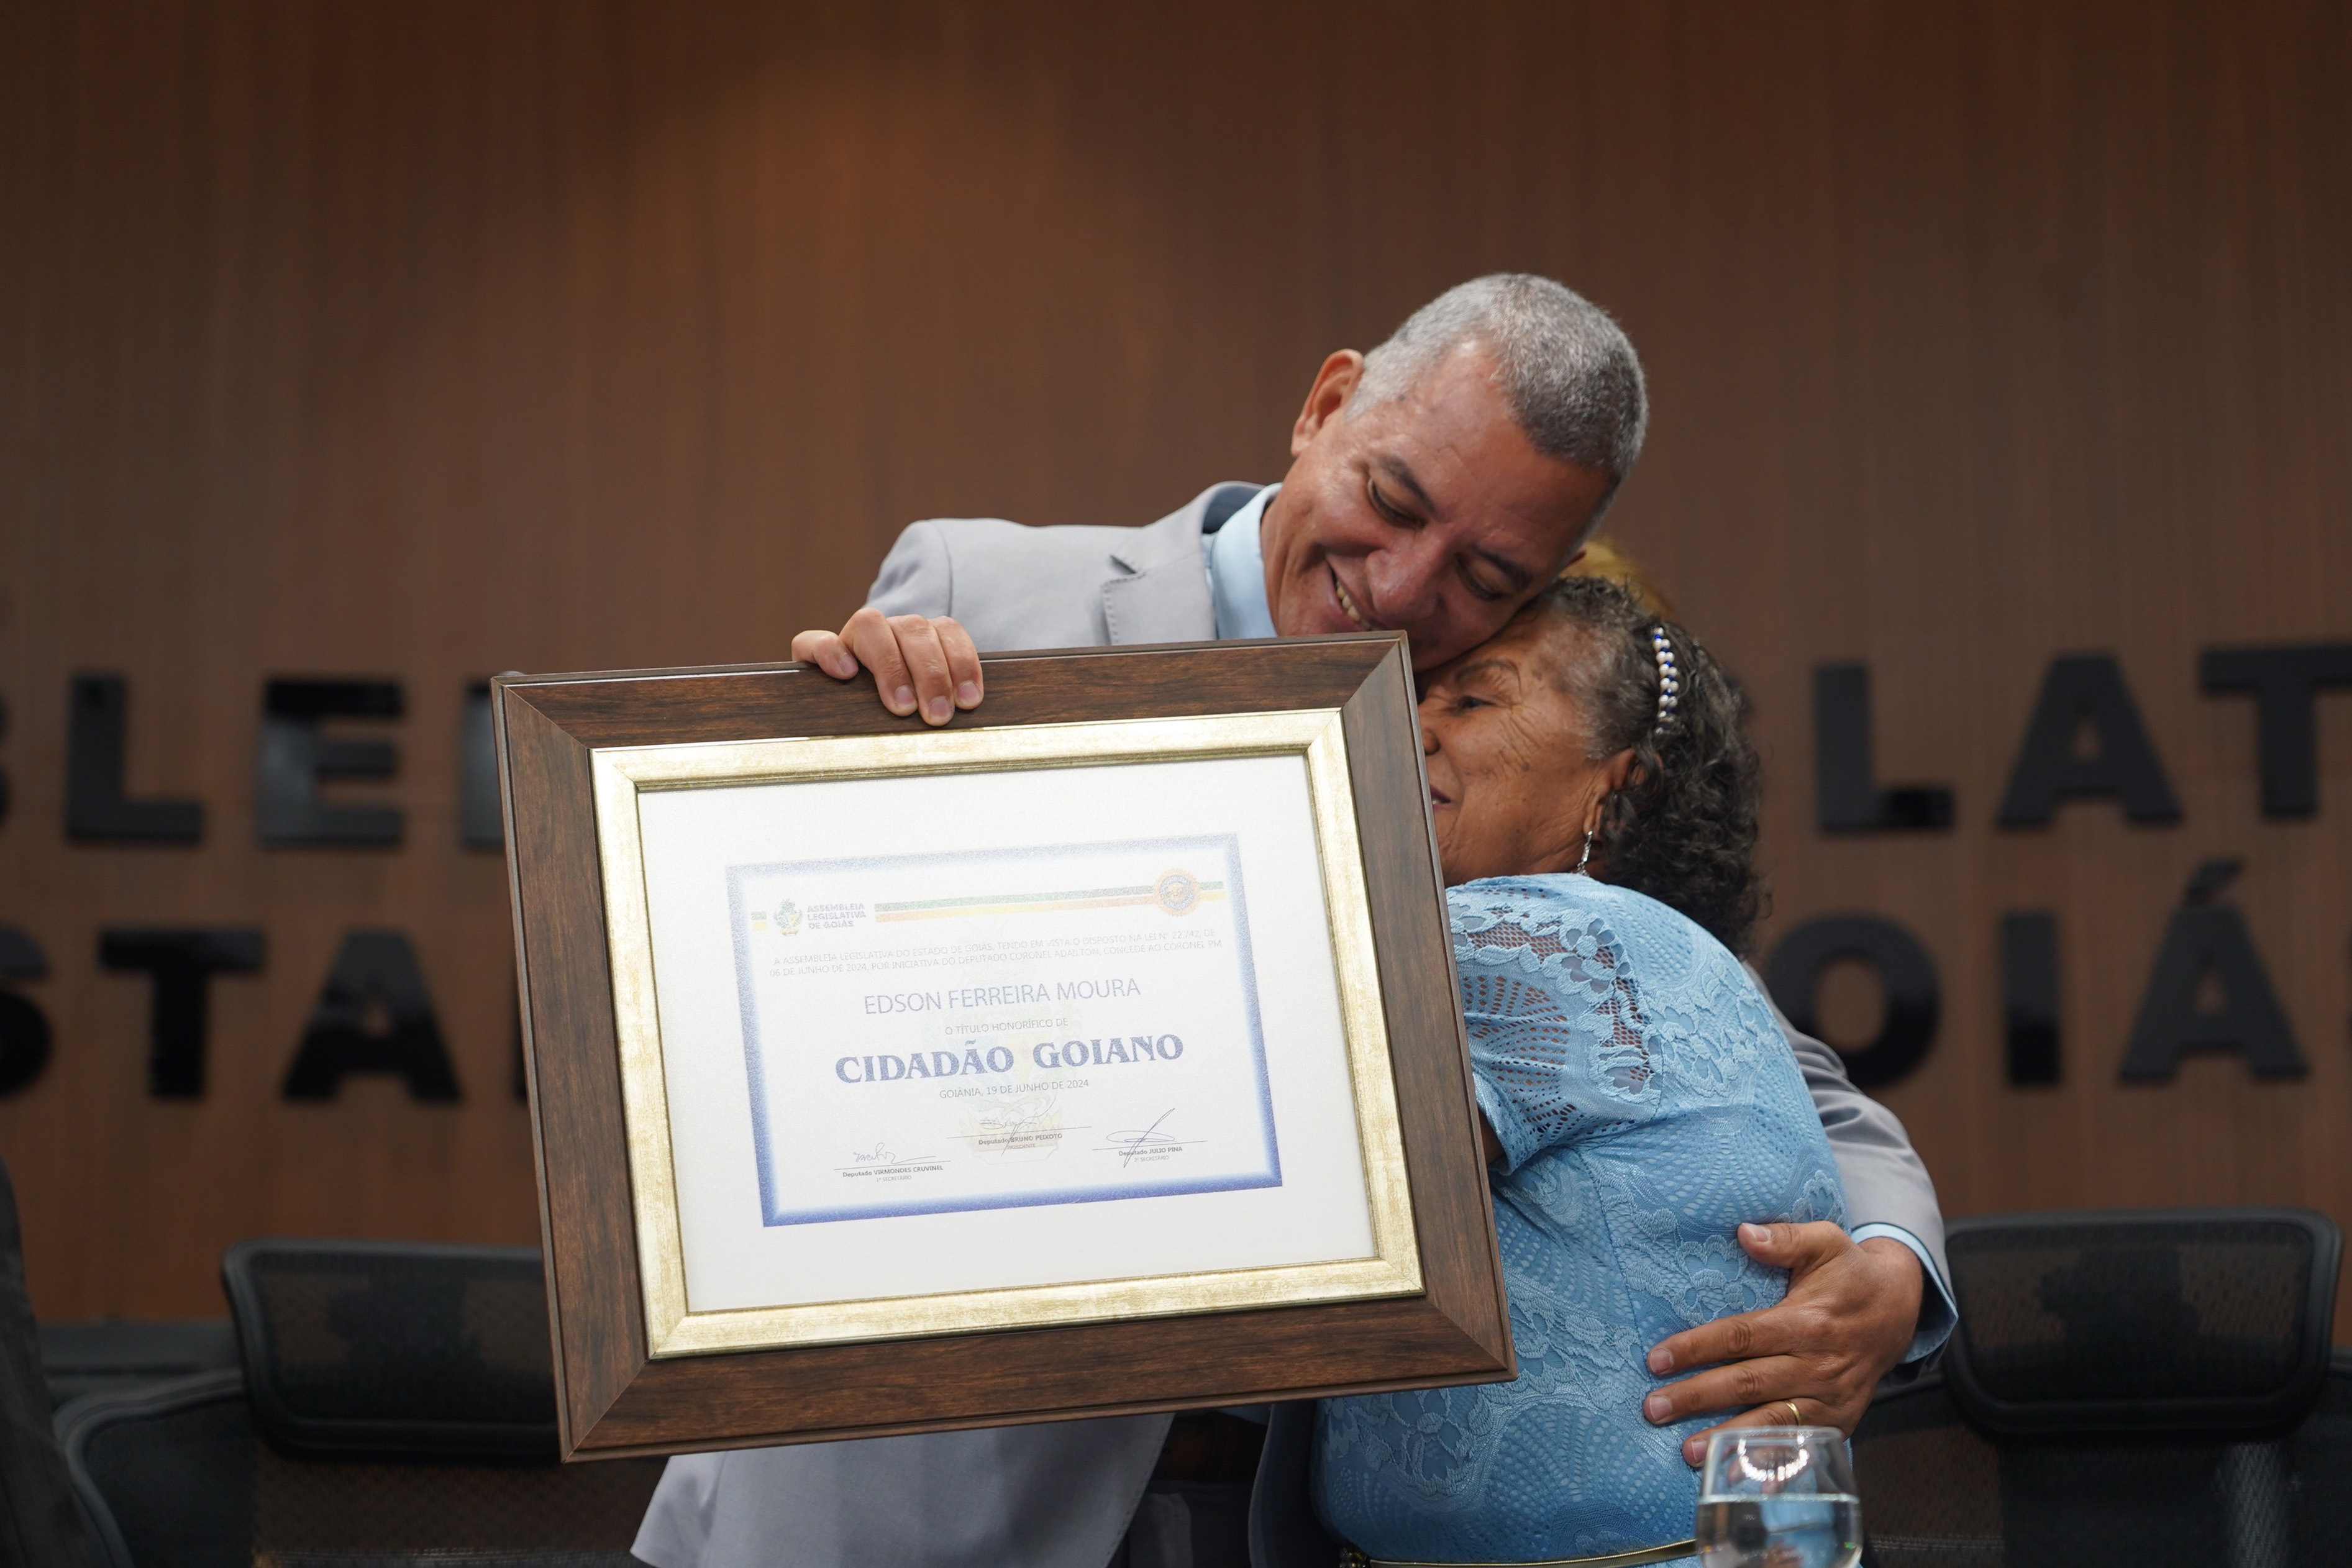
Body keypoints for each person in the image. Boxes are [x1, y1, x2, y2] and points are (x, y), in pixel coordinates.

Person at [635, 275, 1951, 1568]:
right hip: (912, 1503)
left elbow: (1751, 1058)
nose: (1405, 587)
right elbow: (787, 996)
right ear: (1326, 406)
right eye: (1394, 501)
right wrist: (806, 761)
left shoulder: (1468, 744)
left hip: (1262, 1519)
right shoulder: (982, 590)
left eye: (1486, 573)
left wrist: (1888, 1271)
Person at [1316, 576, 1838, 1564]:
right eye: (1410, 696)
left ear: (1620, 785)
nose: (1409, 726)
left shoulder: (1538, 938)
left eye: (1473, 698)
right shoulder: (1665, 950)